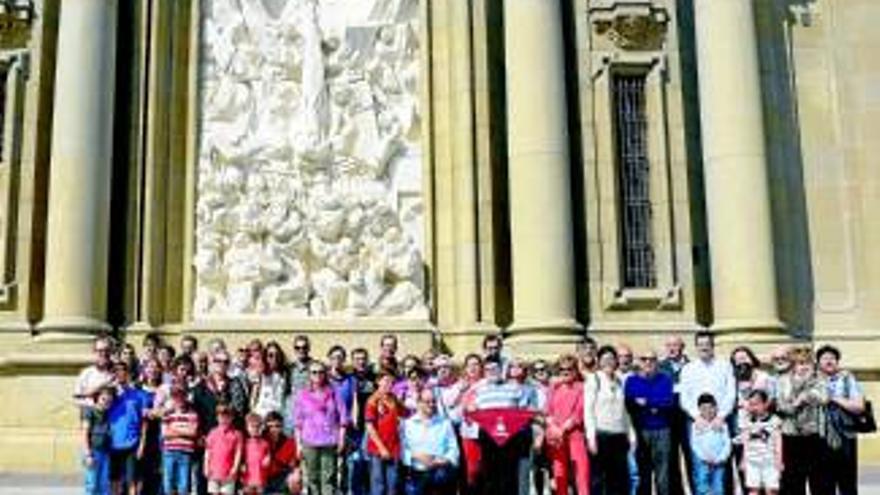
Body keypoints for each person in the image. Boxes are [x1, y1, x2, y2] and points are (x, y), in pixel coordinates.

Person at [678, 332, 735, 494]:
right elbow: (685, 397)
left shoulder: (724, 366)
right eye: (700, 344)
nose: (704, 347)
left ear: (712, 345)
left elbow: (730, 393)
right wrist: (697, 416)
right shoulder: (688, 369)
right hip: (697, 423)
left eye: (707, 344)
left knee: (721, 466)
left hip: (720, 421)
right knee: (699, 466)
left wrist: (721, 416)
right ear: (696, 346)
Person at [775, 346, 827, 495]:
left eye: (806, 363)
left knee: (818, 480)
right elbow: (781, 406)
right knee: (792, 480)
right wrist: (797, 402)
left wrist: (805, 395)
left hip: (814, 435)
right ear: (793, 365)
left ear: (812, 365)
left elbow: (823, 398)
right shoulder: (783, 381)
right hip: (791, 435)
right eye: (799, 363)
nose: (803, 367)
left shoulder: (818, 380)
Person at [585, 345, 634, 495]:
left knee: (619, 480)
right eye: (604, 359)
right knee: (599, 480)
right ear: (599, 361)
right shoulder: (594, 379)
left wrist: (631, 435)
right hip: (601, 435)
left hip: (619, 436)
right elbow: (588, 410)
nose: (608, 362)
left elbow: (624, 411)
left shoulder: (619, 381)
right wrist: (591, 437)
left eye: (611, 359)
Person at [294, 361, 348, 495]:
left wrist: (341, 439)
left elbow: (343, 418)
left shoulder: (334, 393)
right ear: (309, 375)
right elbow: (298, 422)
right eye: (314, 372)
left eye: (321, 372)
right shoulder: (302, 395)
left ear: (326, 374)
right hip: (309, 441)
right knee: (312, 477)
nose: (317, 375)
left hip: (329, 441)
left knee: (328, 478)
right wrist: (298, 445)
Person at [625, 349, 675, 495]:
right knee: (642, 472)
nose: (648, 362)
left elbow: (668, 403)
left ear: (657, 362)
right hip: (640, 430)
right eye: (644, 359)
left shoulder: (665, 379)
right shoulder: (631, 380)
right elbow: (630, 404)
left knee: (663, 473)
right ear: (639, 362)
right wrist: (654, 404)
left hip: (662, 430)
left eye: (652, 359)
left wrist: (645, 402)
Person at [817, 344, 865, 495]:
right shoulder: (812, 380)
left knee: (847, 483)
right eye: (825, 358)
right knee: (823, 484)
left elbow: (859, 406)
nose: (829, 361)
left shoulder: (846, 379)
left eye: (832, 358)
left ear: (837, 362)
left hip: (845, 436)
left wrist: (834, 398)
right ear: (818, 362)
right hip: (820, 438)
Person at [730, 346, 773, 492]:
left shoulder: (764, 377)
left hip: (762, 429)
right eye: (737, 358)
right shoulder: (732, 379)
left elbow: (771, 401)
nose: (741, 360)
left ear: (752, 358)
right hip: (741, 429)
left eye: (744, 356)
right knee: (745, 473)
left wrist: (752, 405)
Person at [544, 354, 589, 495]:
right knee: (559, 474)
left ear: (576, 370)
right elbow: (547, 411)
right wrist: (553, 427)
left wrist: (562, 429)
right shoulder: (554, 388)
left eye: (570, 368)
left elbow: (579, 413)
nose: (566, 372)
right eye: (562, 369)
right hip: (556, 436)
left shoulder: (582, 387)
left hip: (575, 434)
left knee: (581, 474)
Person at [401, 388, 460, 495]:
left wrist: (443, 460)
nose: (431, 404)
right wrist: (415, 455)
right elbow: (402, 449)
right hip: (416, 473)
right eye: (427, 401)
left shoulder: (445, 423)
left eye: (433, 401)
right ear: (419, 403)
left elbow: (454, 448)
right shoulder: (408, 424)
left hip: (440, 473)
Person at [107, 361, 150, 495]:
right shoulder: (109, 395)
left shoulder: (139, 395)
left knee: (132, 481)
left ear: (128, 374)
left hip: (132, 443)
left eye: (123, 370)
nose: (120, 373)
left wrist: (142, 444)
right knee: (115, 481)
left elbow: (144, 422)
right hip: (112, 443)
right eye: (116, 371)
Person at [658, 336, 690, 495]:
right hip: (668, 418)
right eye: (669, 345)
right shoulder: (660, 367)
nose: (672, 348)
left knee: (691, 456)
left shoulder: (692, 365)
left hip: (688, 418)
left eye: (675, 345)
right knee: (670, 459)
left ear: (682, 347)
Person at [365, 370, 406, 495]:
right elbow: (370, 427)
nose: (390, 384)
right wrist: (382, 448)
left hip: (394, 447)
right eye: (386, 381)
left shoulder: (393, 398)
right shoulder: (372, 400)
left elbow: (404, 413)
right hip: (378, 449)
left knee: (392, 484)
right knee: (378, 485)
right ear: (378, 382)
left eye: (392, 382)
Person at [740, 390, 782, 495]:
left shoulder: (774, 420)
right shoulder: (747, 421)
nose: (754, 407)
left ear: (765, 404)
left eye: (756, 404)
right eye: (751, 404)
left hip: (770, 461)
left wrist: (779, 460)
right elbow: (745, 442)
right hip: (752, 461)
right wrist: (744, 460)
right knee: (753, 489)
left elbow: (778, 441)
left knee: (771, 489)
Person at [162, 386, 199, 495]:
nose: (178, 399)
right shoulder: (168, 413)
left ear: (185, 397)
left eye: (181, 396)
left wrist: (174, 430)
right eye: (175, 396)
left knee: (183, 483)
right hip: (169, 450)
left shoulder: (192, 414)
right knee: (168, 481)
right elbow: (165, 434)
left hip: (185, 451)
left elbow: (193, 432)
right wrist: (184, 431)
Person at [690, 394, 731, 495]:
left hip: (719, 462)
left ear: (716, 408)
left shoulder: (722, 425)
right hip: (703, 462)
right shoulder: (696, 426)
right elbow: (694, 444)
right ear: (699, 410)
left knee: (718, 487)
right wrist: (704, 457)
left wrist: (721, 457)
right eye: (704, 408)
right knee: (702, 486)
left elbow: (727, 443)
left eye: (711, 407)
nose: (708, 411)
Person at [350, 347, 377, 495]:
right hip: (353, 428)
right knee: (355, 463)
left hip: (370, 427)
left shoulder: (374, 379)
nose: (360, 362)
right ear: (352, 361)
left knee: (368, 463)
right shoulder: (348, 379)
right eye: (357, 359)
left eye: (363, 359)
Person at [204, 405, 243, 495]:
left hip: (229, 472)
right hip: (214, 471)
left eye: (227, 417)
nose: (224, 419)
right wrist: (206, 466)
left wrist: (235, 468)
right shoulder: (212, 432)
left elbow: (238, 452)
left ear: (232, 418)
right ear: (217, 417)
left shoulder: (237, 434)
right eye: (221, 416)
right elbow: (208, 451)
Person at [83, 386, 115, 495]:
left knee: (104, 485)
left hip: (105, 452)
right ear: (98, 398)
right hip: (93, 451)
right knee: (92, 485)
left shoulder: (108, 413)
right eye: (104, 399)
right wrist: (88, 454)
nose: (106, 402)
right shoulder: (89, 411)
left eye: (109, 400)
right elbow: (85, 433)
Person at [264, 411, 303, 495]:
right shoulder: (261, 441)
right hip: (262, 479)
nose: (273, 429)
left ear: (282, 427)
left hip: (280, 478)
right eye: (270, 426)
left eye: (277, 426)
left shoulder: (289, 442)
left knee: (295, 478)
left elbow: (295, 464)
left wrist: (297, 472)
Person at [74, 336, 115, 411]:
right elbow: (76, 399)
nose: (104, 353)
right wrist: (94, 406)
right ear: (94, 352)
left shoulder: (117, 373)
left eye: (107, 350)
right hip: (93, 419)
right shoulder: (86, 374)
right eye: (100, 351)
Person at [242, 413, 271, 495]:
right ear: (247, 428)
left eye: (257, 426)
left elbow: (268, 455)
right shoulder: (245, 443)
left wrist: (267, 459)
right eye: (252, 426)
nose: (255, 429)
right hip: (248, 478)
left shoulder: (265, 443)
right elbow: (241, 458)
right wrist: (242, 465)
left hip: (260, 477)